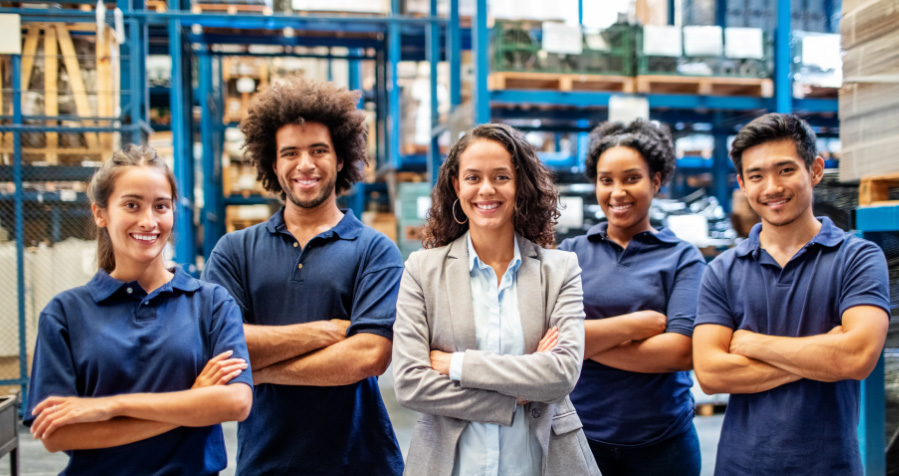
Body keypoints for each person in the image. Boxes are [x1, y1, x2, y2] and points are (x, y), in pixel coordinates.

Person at [201, 77, 404, 475]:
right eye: (290, 152)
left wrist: (261, 370)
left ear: (341, 158)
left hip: (361, 462)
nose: (305, 164)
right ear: (273, 164)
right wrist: (329, 331)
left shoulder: (375, 250)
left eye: (319, 150)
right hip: (266, 461)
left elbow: (370, 354)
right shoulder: (235, 250)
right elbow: (222, 345)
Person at [25, 145, 253, 475]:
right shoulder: (64, 313)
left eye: (161, 206)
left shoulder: (212, 304)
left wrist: (109, 407)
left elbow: (235, 402)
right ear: (100, 213)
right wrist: (192, 401)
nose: (149, 221)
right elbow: (57, 434)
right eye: (132, 205)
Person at [392, 123, 601, 476]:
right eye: (473, 177)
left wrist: (457, 365)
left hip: (540, 464)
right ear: (456, 186)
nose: (486, 189)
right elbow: (411, 384)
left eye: (501, 177)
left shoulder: (560, 269)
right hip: (453, 466)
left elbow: (562, 374)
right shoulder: (422, 270)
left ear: (519, 185)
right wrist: (515, 396)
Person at [692, 113, 890, 475]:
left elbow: (858, 356)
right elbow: (710, 373)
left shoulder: (857, 257)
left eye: (785, 170)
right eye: (756, 176)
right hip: (742, 466)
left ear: (815, 170)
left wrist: (751, 344)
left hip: (831, 466)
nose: (771, 187)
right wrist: (823, 356)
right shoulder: (723, 270)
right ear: (742, 183)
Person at [557, 119, 705, 475]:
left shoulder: (683, 258)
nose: (617, 192)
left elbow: (681, 351)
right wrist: (635, 325)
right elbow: (547, 344)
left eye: (631, 178)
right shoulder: (569, 254)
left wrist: (583, 342)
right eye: (606, 180)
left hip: (665, 446)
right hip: (579, 441)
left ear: (655, 181)